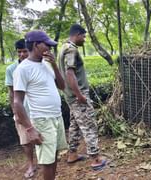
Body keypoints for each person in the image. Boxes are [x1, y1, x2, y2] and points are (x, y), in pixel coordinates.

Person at [13, 30, 68, 180]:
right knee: (47, 161)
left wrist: (55, 65)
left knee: (54, 155)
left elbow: (62, 86)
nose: (49, 48)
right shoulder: (23, 69)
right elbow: (17, 102)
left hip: (56, 117)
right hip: (42, 120)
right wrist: (30, 129)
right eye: (47, 45)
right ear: (36, 45)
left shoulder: (46, 64)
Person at [58, 24, 106, 170]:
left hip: (70, 96)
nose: (84, 39)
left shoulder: (63, 47)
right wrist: (79, 95)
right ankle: (96, 158)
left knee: (75, 125)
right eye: (84, 36)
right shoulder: (71, 49)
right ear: (77, 34)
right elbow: (69, 73)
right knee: (89, 125)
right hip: (77, 96)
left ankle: (72, 154)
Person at [5, 39, 36, 178]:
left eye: (25, 51)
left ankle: (45, 160)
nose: (22, 54)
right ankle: (31, 164)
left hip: (37, 108)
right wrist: (15, 112)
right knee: (26, 140)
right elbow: (11, 93)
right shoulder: (11, 69)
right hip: (22, 109)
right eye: (19, 52)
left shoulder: (36, 65)